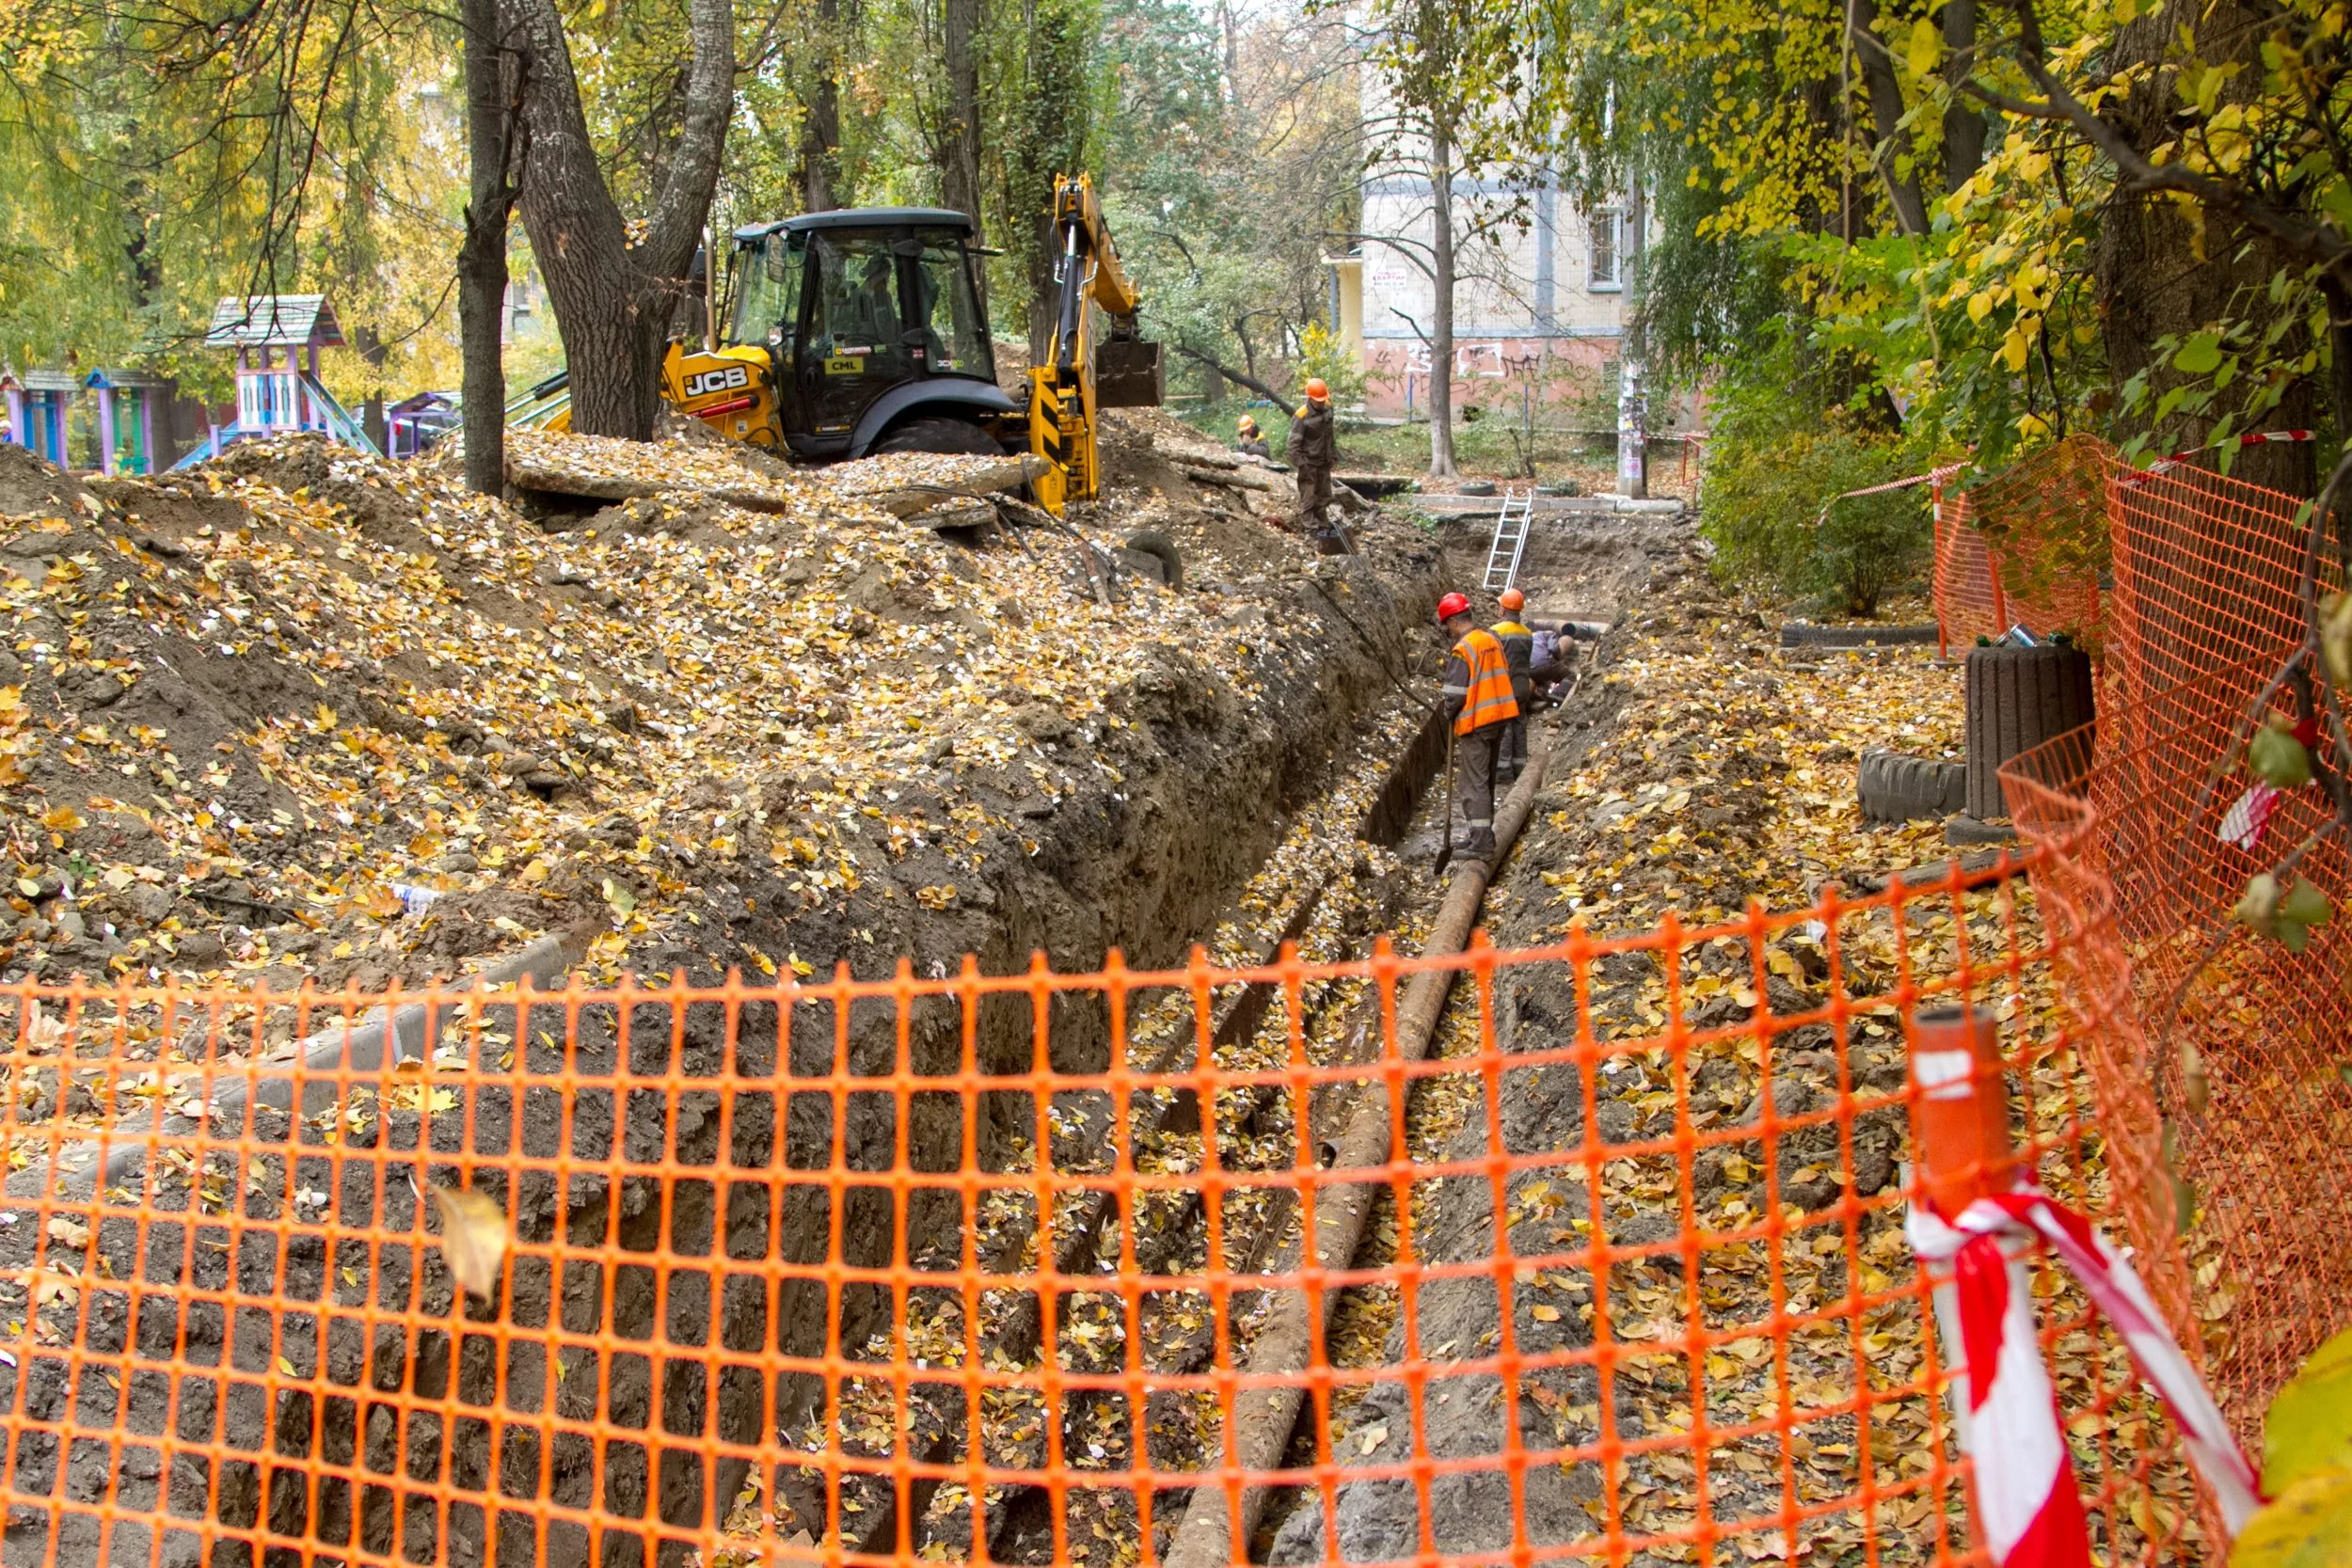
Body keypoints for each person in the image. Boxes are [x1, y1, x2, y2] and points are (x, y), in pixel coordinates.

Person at [1438, 591, 1519, 863]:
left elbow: (1454, 694)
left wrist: (1449, 713)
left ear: (1453, 621)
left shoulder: (1463, 649)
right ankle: (1480, 835)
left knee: (1473, 785)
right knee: (1486, 780)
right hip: (1500, 716)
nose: (1449, 630)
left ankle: (1482, 843)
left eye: (1447, 625)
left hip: (1478, 722)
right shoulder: (1490, 639)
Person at [1285, 378, 1347, 554]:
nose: (1320, 403)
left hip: (1324, 462)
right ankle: (1311, 531)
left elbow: (1330, 434)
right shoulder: (1301, 416)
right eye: (1317, 401)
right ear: (1310, 398)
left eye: (1322, 400)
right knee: (1309, 498)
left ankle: (1323, 526)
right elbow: (1292, 447)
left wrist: (1332, 454)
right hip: (1309, 463)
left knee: (1325, 496)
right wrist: (1302, 465)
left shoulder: (1328, 407)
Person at [1491, 587, 1534, 787]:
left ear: (1503, 609)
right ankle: (1520, 768)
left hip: (1504, 688)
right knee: (1519, 726)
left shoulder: (1496, 632)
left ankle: (1503, 772)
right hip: (1522, 687)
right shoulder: (1527, 633)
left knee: (1505, 728)